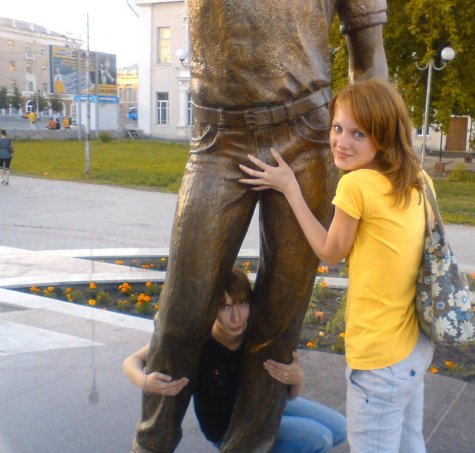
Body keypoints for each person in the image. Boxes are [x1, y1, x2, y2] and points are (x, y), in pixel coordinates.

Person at [133, 2, 388, 452]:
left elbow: (368, 63)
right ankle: (150, 445)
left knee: (278, 321)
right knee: (183, 309)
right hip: (218, 140)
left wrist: (378, 164)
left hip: (307, 137)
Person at [240, 79, 435, 453]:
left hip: (379, 359)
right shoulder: (417, 179)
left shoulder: (356, 185)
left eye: (358, 134)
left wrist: (290, 188)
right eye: (337, 128)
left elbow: (330, 252)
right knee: (411, 444)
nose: (342, 142)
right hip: (413, 346)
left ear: (383, 137)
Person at [124, 267, 346, 453]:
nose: (236, 317)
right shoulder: (197, 339)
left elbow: (290, 395)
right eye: (225, 307)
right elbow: (132, 361)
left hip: (262, 403)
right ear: (212, 308)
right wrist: (145, 382)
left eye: (242, 304)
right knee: (319, 439)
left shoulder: (256, 332)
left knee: (341, 429)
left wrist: (297, 379)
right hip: (229, 427)